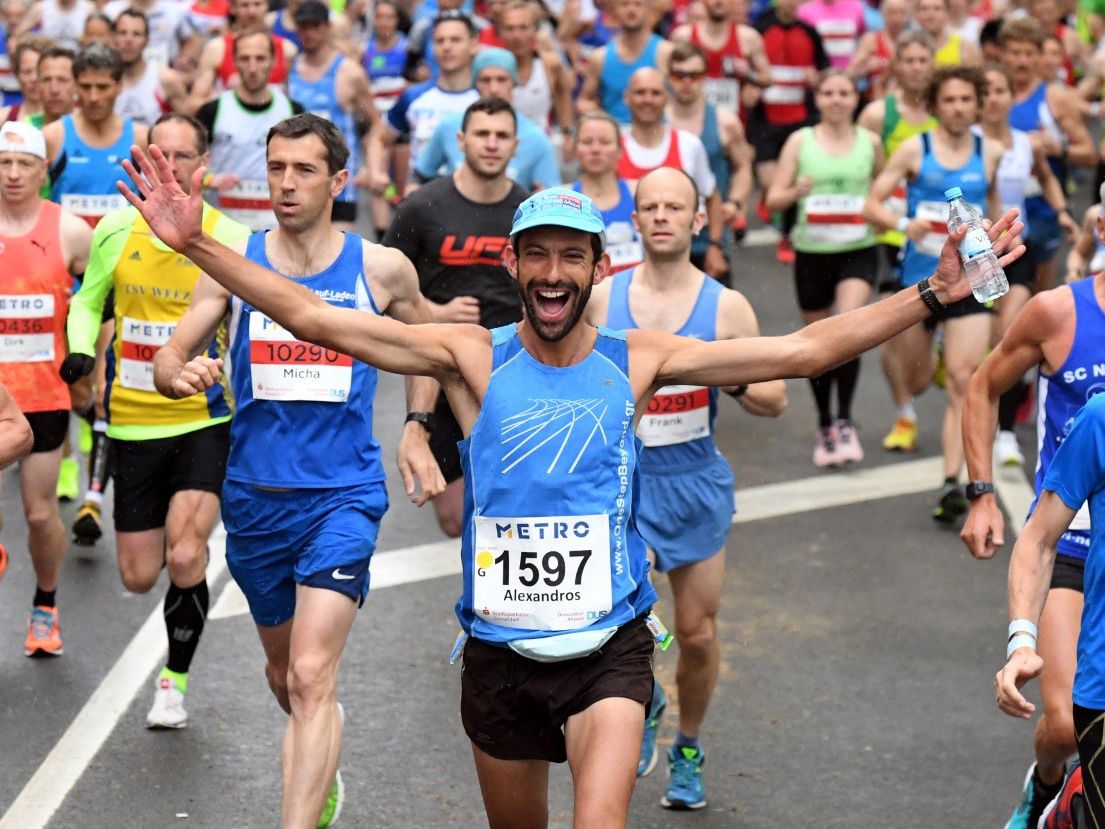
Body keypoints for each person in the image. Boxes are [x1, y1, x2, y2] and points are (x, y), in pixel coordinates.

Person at [118, 133, 1024, 829]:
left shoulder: (642, 359)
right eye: (536, 256)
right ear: (514, 266)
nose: (552, 273)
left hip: (609, 649)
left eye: (571, 257)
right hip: (500, 655)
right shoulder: (470, 354)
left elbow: (800, 348)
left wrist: (935, 297)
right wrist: (199, 243)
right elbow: (313, 314)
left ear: (597, 270)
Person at [143, 114, 441, 826]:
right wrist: (179, 375)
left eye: (303, 169)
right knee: (288, 677)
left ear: (339, 182)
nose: (285, 182)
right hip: (253, 499)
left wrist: (416, 427)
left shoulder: (380, 268)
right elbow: (165, 357)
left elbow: (433, 349)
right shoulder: (239, 259)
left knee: (311, 672)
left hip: (343, 496)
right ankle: (321, 763)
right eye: (276, 167)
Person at [586, 166, 787, 810]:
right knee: (631, 624)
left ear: (699, 221)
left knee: (697, 633)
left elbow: (776, 398)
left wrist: (722, 374)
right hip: (623, 487)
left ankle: (689, 746)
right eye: (651, 207)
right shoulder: (603, 299)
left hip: (695, 480)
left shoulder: (725, 306)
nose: (664, 216)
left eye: (677, 207)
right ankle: (646, 699)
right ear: (636, 220)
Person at [61, 112, 249, 723]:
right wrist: (82, 350)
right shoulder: (115, 229)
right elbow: (87, 304)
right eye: (155, 157)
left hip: (203, 419)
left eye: (182, 158)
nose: (167, 170)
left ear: (204, 167)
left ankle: (173, 679)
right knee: (140, 575)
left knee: (187, 553)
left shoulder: (228, 237)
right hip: (133, 421)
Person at [964, 194, 1105, 829]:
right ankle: (1048, 786)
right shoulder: (1057, 312)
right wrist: (983, 493)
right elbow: (983, 385)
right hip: (1071, 533)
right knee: (1059, 723)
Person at [384, 96, 528, 538]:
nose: (491, 144)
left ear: (515, 145)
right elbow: (385, 284)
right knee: (453, 519)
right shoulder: (421, 207)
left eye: (501, 135)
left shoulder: (526, 213)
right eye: (482, 134)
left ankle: (501, 598)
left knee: (505, 505)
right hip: (442, 377)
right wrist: (435, 312)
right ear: (461, 140)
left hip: (510, 375)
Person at [863, 64, 1002, 521]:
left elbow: (994, 210)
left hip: (970, 282)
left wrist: (995, 248)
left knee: (965, 380)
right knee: (919, 382)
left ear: (978, 103)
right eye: (950, 100)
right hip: (921, 282)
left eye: (967, 99)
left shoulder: (990, 151)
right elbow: (872, 204)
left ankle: (951, 481)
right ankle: (929, 368)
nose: (959, 108)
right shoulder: (913, 149)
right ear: (935, 105)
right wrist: (905, 223)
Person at [995, 389, 1105, 828]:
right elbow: (1039, 541)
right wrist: (1022, 640)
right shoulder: (1099, 419)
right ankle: (1066, 802)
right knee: (1059, 726)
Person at [0, 121, 90, 655]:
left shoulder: (70, 231)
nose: (12, 174)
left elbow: (96, 294)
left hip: (42, 398)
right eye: (3, 164)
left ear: (42, 171)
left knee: (39, 514)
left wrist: (88, 361)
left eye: (22, 164)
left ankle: (45, 605)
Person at [768, 70, 882, 466]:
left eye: (844, 92)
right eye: (829, 93)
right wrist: (795, 192)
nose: (836, 99)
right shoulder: (801, 141)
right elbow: (773, 198)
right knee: (818, 342)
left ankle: (846, 420)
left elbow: (885, 190)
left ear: (856, 99)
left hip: (858, 249)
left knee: (848, 328)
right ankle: (825, 424)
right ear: (818, 99)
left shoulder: (871, 142)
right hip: (812, 253)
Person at [977, 62, 1076, 470]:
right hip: (973, 255)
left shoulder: (1025, 142)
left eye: (1000, 91)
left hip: (1016, 251)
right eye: (985, 93)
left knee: (1010, 335)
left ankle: (1003, 433)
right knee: (978, 343)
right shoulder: (967, 143)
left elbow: (1047, 178)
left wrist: (1063, 211)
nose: (993, 99)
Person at [857, 29, 936, 453]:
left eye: (924, 60)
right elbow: (865, 171)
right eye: (909, 60)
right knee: (890, 327)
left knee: (923, 372)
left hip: (940, 236)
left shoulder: (948, 110)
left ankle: (933, 354)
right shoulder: (877, 115)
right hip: (891, 232)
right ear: (896, 66)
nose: (917, 68)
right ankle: (904, 415)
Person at [1003, 18, 1093, 294]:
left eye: (1028, 54)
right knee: (999, 287)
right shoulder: (991, 95)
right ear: (1002, 54)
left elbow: (1090, 153)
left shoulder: (1053, 96)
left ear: (1040, 56)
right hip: (1000, 205)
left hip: (1043, 206)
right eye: (1015, 53)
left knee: (1037, 293)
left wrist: (1059, 149)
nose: (1021, 61)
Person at [616, 67, 728, 281]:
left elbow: (712, 196)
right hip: (626, 266)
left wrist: (715, 246)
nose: (647, 100)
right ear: (626, 98)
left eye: (655, 93)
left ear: (667, 98)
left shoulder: (688, 144)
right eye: (640, 93)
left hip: (684, 259)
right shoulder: (613, 148)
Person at [195, 28, 304, 230]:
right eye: (245, 59)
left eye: (260, 58)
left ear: (274, 61)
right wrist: (210, 180)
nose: (253, 67)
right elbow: (188, 164)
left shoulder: (292, 110)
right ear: (234, 62)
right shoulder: (212, 110)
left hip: (275, 225)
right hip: (222, 225)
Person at [411, 47, 559, 192]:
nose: (494, 88)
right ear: (475, 84)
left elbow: (551, 196)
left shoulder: (536, 137)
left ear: (513, 83)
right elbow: (420, 176)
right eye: (485, 80)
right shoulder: (449, 126)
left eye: (502, 79)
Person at [366, 10, 477, 200]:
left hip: (471, 200)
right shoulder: (413, 97)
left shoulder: (485, 98)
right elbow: (378, 137)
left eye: (455, 40)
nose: (447, 47)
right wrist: (376, 172)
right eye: (440, 41)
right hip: (422, 200)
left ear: (473, 45)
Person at [666, 41, 752, 282]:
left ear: (704, 77)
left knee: (715, 314)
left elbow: (743, 167)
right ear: (669, 77)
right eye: (678, 75)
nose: (685, 82)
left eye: (693, 76)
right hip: (664, 236)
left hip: (710, 236)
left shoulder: (725, 122)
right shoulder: (656, 123)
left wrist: (734, 202)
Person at [287, 0, 376, 233]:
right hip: (300, 179)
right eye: (303, 27)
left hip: (339, 181)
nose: (309, 33)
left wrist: (372, 166)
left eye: (314, 26)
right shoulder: (291, 68)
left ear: (326, 27)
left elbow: (376, 125)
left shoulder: (349, 72)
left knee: (339, 255)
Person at [751, 0, 828, 265]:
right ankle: (769, 200)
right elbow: (749, 65)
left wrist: (815, 79)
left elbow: (824, 70)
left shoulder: (809, 31)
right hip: (766, 119)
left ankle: (786, 235)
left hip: (799, 118)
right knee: (770, 182)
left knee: (795, 182)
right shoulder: (761, 28)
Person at [44, 44, 149, 227]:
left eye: (102, 87)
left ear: (119, 86)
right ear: (75, 86)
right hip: (70, 252)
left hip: (126, 253)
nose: (93, 97)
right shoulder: (53, 136)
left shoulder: (141, 139)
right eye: (86, 87)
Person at [577, 0, 674, 124]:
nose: (631, 10)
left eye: (638, 4)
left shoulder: (666, 52)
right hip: (616, 136)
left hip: (657, 132)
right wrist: (598, 116)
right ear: (614, 10)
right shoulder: (600, 57)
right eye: (625, 4)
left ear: (648, 9)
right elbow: (583, 101)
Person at [571, 111, 643, 275]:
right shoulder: (561, 199)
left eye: (605, 142)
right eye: (587, 142)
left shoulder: (640, 193)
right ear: (576, 148)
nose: (595, 149)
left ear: (620, 149)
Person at [670, 0, 771, 114]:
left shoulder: (748, 37)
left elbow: (767, 78)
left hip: (733, 120)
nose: (718, 1)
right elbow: (667, 77)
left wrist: (748, 74)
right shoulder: (683, 36)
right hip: (692, 118)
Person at [191, 0, 297, 102]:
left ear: (267, 6)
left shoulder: (287, 50)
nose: (251, 11)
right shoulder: (217, 48)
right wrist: (230, 97)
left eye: (257, 4)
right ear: (233, 8)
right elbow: (194, 102)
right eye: (244, 5)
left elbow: (293, 101)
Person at [497, 0, 575, 137]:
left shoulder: (550, 64)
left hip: (541, 142)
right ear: (500, 32)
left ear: (535, 30)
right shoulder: (490, 67)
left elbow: (563, 95)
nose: (517, 36)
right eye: (510, 28)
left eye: (523, 28)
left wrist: (567, 131)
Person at [112, 8, 191, 124]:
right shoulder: (104, 80)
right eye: (123, 33)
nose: (129, 40)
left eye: (136, 34)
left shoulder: (166, 79)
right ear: (114, 38)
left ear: (147, 40)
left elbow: (187, 127)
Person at [362, 0, 408, 114]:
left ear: (397, 20)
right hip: (374, 111)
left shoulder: (407, 48)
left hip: (400, 110)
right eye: (379, 17)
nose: (384, 22)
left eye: (389, 17)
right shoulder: (364, 50)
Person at [795, 0, 865, 71]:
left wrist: (855, 65)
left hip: (849, 74)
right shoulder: (804, 11)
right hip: (820, 74)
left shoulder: (855, 7)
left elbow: (863, 38)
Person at [0, 37, 53, 127]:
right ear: (17, 74)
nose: (34, 78)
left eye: (40, 71)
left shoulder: (67, 120)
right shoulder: (3, 118)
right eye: (27, 72)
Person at [916, 0, 980, 66]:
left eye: (937, 8)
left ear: (947, 13)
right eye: (924, 9)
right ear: (916, 14)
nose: (930, 14)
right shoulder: (907, 42)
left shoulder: (963, 47)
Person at [15, 0, 92, 51]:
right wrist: (35, 38)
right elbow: (17, 35)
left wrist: (84, 38)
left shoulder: (88, 8)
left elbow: (96, 38)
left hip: (77, 62)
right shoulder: (41, 8)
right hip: (46, 60)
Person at [37, 45, 76, 127]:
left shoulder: (93, 131)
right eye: (46, 80)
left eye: (62, 80)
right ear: (37, 84)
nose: (54, 90)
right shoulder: (24, 130)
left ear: (77, 85)